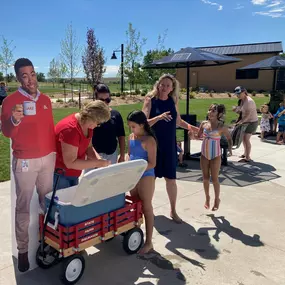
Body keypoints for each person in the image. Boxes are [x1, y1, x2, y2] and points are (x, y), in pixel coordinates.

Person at [1, 58, 56, 272]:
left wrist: (54, 153)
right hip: (25, 160)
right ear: (17, 78)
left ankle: (48, 242)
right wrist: (14, 120)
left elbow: (49, 128)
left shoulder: (46, 100)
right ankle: (23, 250)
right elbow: (6, 132)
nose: (30, 79)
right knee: (23, 207)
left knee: (48, 202)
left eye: (32, 73)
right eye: (24, 75)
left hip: (47, 159)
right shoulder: (10, 102)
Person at [142, 74, 199, 223]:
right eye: (163, 84)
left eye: (168, 85)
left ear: (172, 88)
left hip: (169, 145)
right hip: (153, 145)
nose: (165, 87)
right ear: (158, 84)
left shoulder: (173, 100)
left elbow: (178, 121)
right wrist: (158, 117)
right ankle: (148, 210)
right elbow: (142, 123)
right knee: (150, 179)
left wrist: (193, 128)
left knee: (171, 179)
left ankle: (173, 210)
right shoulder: (150, 100)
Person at [54, 100, 111, 189]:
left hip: (73, 173)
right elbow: (70, 163)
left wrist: (99, 161)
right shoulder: (70, 129)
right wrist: (97, 163)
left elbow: (89, 147)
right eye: (98, 123)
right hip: (60, 175)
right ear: (92, 117)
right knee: (62, 201)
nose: (97, 126)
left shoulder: (87, 125)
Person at [127, 110, 157, 254]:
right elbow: (130, 155)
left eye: (133, 126)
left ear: (142, 124)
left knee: (146, 207)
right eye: (129, 126)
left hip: (146, 176)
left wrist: (138, 169)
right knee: (135, 206)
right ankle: (136, 234)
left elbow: (152, 163)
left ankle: (149, 242)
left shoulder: (148, 140)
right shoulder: (131, 137)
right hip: (133, 176)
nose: (131, 129)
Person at [198, 104, 232, 211]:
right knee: (205, 179)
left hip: (216, 155)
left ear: (218, 114)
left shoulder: (221, 127)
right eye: (209, 110)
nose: (210, 112)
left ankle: (217, 199)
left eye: (213, 111)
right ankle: (207, 198)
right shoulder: (203, 124)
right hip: (204, 154)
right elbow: (198, 136)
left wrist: (230, 149)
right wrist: (192, 135)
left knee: (215, 179)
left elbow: (229, 138)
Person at [91, 84, 125, 164]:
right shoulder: (90, 114)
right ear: (95, 99)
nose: (105, 103)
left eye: (107, 100)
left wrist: (122, 155)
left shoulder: (115, 114)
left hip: (112, 154)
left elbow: (121, 136)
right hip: (93, 155)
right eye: (101, 100)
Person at [234, 86, 258, 163]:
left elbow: (248, 115)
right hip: (246, 122)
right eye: (236, 94)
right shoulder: (242, 100)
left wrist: (241, 122)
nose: (238, 95)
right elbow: (241, 111)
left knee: (246, 139)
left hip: (251, 122)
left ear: (244, 92)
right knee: (244, 139)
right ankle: (245, 154)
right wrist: (236, 110)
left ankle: (247, 158)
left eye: (239, 93)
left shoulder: (249, 101)